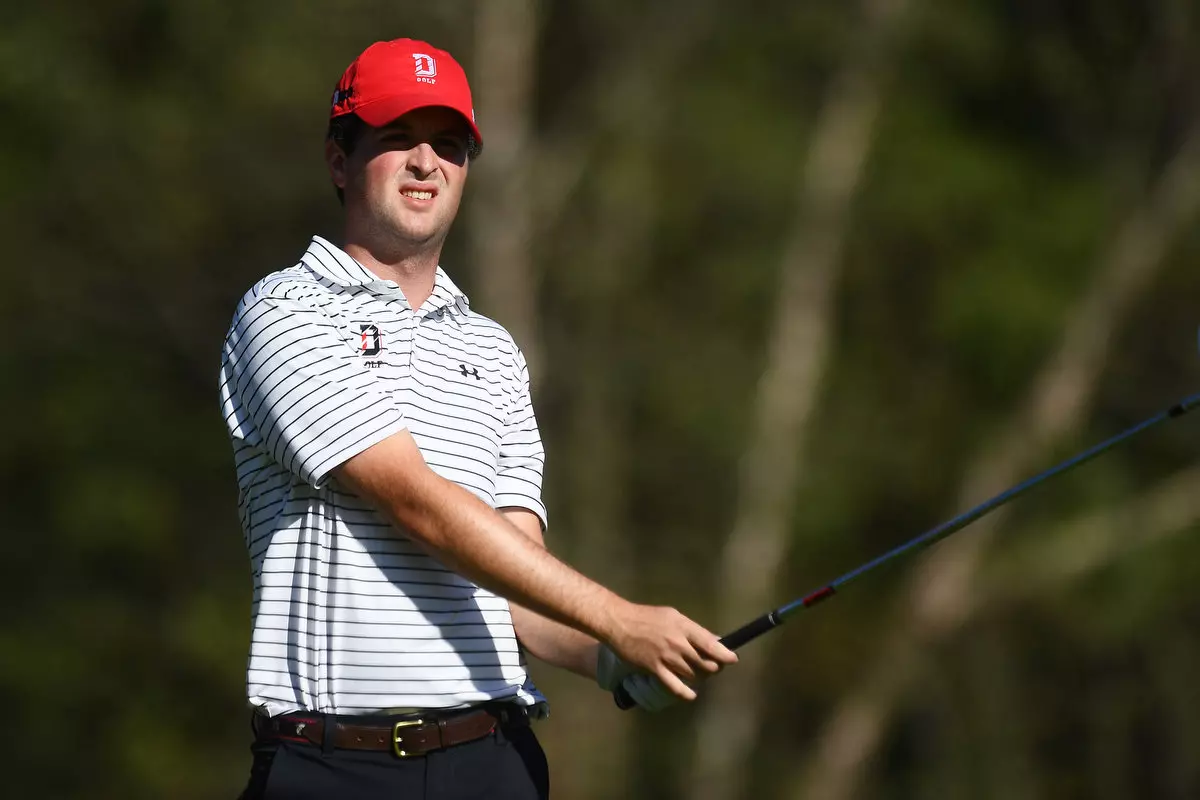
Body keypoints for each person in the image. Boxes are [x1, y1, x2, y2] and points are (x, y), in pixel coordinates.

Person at [219, 37, 736, 799]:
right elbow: (413, 500)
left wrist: (611, 657)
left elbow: (515, 577)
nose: (426, 162)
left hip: (494, 758)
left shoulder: (491, 348)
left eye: (449, 145)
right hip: (337, 763)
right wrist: (619, 618)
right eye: (398, 137)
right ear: (339, 161)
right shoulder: (284, 310)